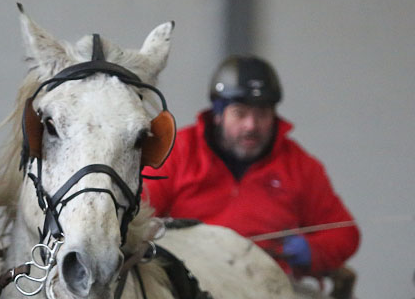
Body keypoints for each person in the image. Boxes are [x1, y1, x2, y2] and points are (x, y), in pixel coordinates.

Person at [143, 55, 359, 277]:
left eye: (262, 114)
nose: (251, 125)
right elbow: (137, 216)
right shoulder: (177, 152)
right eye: (240, 113)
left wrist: (313, 251)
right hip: (190, 283)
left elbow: (344, 233)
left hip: (273, 287)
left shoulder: (300, 166)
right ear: (218, 115)